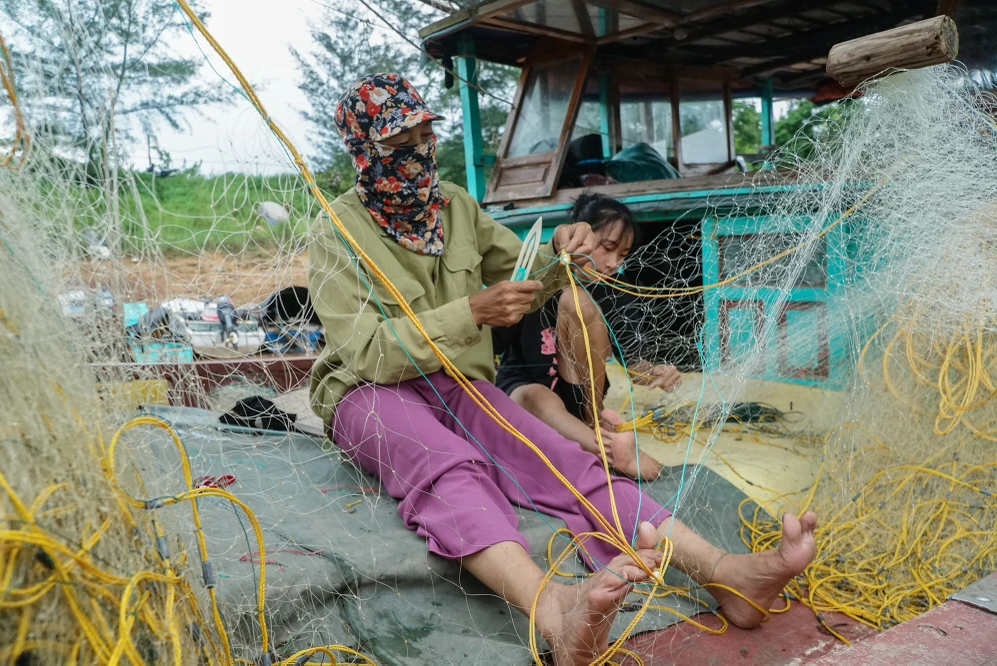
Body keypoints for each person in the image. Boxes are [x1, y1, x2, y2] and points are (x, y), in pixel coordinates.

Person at [309, 73, 817, 665]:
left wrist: (563, 246)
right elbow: (368, 351)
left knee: (560, 457)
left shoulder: (457, 207)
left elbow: (532, 269)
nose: (420, 155)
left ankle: (726, 574)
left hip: (456, 380)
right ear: (364, 152)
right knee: (451, 468)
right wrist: (470, 310)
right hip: (366, 391)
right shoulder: (333, 231)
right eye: (402, 145)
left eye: (427, 136)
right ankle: (554, 612)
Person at [495, 193, 680, 481]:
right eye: (608, 248)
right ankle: (609, 451)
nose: (614, 263)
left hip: (581, 400)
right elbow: (491, 344)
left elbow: (635, 366)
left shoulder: (618, 293)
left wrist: (657, 372)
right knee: (537, 396)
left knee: (577, 301)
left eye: (623, 255)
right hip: (525, 392)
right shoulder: (536, 276)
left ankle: (592, 424)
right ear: (579, 235)